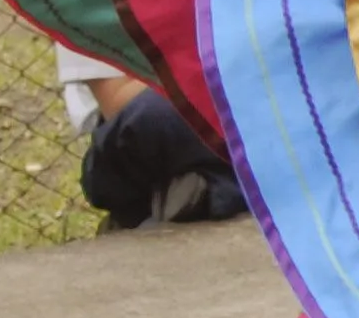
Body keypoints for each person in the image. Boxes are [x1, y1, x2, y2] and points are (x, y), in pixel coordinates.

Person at [57, 48, 246, 232]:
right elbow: (118, 99)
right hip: (148, 131)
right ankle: (219, 191)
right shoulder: (84, 17)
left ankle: (208, 193)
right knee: (158, 111)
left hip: (232, 102)